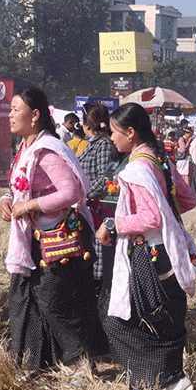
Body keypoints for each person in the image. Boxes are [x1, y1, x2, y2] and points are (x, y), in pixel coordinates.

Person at [97, 102, 196, 390]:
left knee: (123, 324)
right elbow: (186, 199)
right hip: (169, 254)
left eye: (114, 132)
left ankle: (167, 380)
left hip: (151, 257)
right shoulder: (160, 160)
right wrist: (168, 217)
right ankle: (165, 387)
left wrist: (115, 222)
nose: (112, 139)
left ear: (130, 133)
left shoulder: (135, 169)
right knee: (164, 322)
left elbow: (150, 219)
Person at [0, 86, 109, 376]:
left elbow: (70, 191)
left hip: (54, 238)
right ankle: (40, 364)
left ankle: (82, 365)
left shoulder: (46, 150)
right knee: (31, 300)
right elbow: (18, 186)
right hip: (35, 238)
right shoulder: (26, 147)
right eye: (9, 109)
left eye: (15, 109)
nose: (9, 115)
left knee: (55, 302)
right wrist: (7, 200)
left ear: (35, 115)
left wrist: (30, 205)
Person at [77, 101, 122, 306]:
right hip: (89, 208)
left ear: (87, 125)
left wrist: (83, 194)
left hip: (99, 210)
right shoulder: (92, 144)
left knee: (101, 266)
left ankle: (103, 302)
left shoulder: (103, 146)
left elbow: (105, 178)